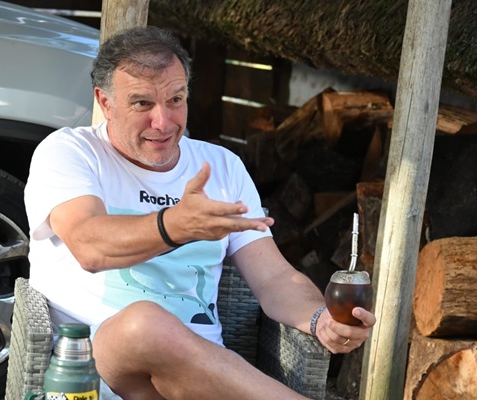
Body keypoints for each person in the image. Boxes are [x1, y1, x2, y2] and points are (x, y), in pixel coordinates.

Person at [24, 26, 376, 400]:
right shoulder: (70, 153)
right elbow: (90, 246)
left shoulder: (222, 166)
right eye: (142, 104)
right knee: (144, 324)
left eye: (175, 99)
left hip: (198, 386)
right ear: (105, 102)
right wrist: (174, 226)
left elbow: (274, 278)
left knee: (152, 326)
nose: (164, 122)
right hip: (93, 376)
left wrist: (321, 319)